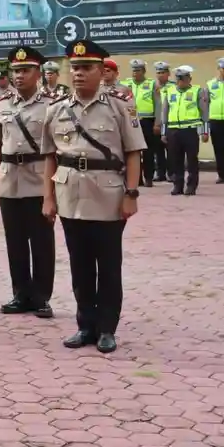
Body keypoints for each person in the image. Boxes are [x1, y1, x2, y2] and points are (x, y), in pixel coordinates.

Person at [41, 39, 144, 354]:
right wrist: (48, 198)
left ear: (101, 71)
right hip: (70, 195)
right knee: (80, 265)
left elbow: (133, 153)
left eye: (86, 67)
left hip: (108, 196)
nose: (79, 73)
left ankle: (107, 329)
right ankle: (85, 325)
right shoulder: (56, 109)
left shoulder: (120, 106)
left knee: (109, 266)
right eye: (75, 68)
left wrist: (131, 193)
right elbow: (50, 158)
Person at [0, 46, 55, 319]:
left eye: (25, 70)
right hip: (9, 180)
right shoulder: (1, 103)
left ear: (38, 73)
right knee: (14, 242)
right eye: (15, 71)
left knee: (41, 242)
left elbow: (56, 151)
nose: (19, 76)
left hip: (38, 180)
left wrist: (54, 190)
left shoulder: (52, 104)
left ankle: (41, 297)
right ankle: (20, 294)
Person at [161, 65, 209, 196]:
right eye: (178, 79)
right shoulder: (169, 91)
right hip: (173, 130)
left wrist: (205, 131)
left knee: (192, 159)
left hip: (190, 130)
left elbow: (204, 113)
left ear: (189, 79)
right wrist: (163, 132)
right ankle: (178, 185)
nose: (180, 82)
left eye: (183, 79)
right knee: (175, 159)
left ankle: (191, 186)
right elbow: (164, 113)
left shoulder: (198, 91)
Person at [120, 60, 160, 187]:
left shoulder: (152, 84)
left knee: (148, 151)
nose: (135, 73)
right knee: (133, 150)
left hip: (147, 120)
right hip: (131, 120)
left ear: (143, 71)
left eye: (137, 70)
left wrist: (157, 123)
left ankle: (148, 177)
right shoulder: (126, 84)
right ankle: (137, 179)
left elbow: (158, 104)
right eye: (133, 70)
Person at [206, 57, 224, 184]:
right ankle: (222, 175)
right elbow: (206, 104)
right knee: (218, 149)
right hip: (215, 121)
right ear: (219, 69)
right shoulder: (210, 84)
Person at [151, 61, 172, 181]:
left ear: (168, 74)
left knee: (171, 149)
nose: (160, 75)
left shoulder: (174, 86)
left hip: (170, 121)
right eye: (158, 73)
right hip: (157, 121)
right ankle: (160, 173)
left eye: (163, 72)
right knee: (158, 149)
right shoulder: (153, 86)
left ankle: (171, 173)